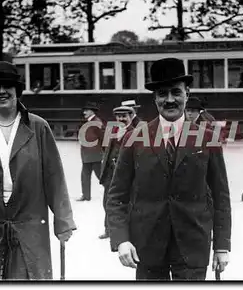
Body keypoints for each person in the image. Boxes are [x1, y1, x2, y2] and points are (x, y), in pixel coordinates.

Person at [106, 58, 232, 281]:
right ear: (154, 98)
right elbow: (116, 196)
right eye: (162, 93)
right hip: (147, 247)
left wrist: (222, 246)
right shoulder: (134, 137)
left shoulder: (207, 138)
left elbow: (221, 196)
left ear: (187, 93)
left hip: (193, 245)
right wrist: (121, 239)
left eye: (176, 92)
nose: (170, 99)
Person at [0, 61, 76, 279]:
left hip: (30, 227)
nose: (2, 91)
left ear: (17, 90)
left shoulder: (38, 127)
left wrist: (63, 221)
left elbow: (54, 177)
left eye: (7, 86)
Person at [98, 104, 136, 240]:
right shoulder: (112, 131)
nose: (121, 119)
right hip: (110, 174)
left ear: (131, 117)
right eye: (119, 116)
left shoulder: (135, 133)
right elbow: (106, 151)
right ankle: (108, 229)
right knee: (107, 202)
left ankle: (125, 231)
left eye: (124, 116)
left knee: (125, 203)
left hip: (125, 175)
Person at [78, 101, 105, 201]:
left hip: (94, 155)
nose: (84, 112)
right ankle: (86, 195)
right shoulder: (90, 121)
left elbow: (103, 137)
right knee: (85, 175)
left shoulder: (96, 122)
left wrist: (103, 151)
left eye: (86, 110)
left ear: (92, 111)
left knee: (101, 176)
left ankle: (112, 192)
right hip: (88, 155)